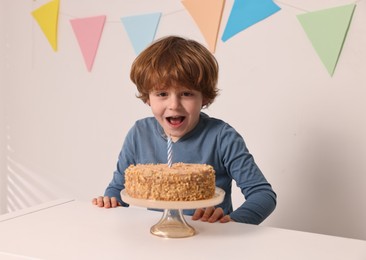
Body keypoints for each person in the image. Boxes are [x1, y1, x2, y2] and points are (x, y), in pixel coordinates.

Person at [92, 35, 276, 224]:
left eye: (187, 94)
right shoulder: (139, 133)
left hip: (211, 241)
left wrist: (232, 222)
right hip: (157, 239)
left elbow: (263, 195)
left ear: (204, 97)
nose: (174, 105)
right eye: (162, 94)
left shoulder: (222, 137)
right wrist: (110, 201)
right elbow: (118, 190)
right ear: (147, 97)